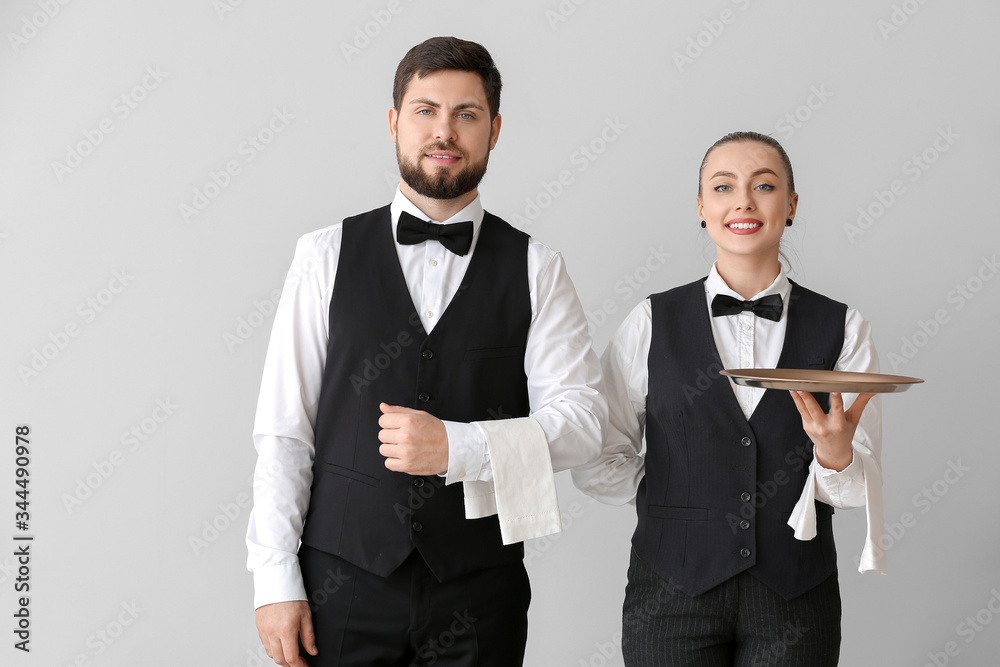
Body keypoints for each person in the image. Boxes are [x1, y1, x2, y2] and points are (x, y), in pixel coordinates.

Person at [246, 36, 605, 667]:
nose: (445, 131)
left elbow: (584, 426)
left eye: (466, 114)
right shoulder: (323, 254)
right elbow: (284, 431)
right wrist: (274, 580)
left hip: (479, 591)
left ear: (494, 131)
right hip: (341, 582)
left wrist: (459, 447)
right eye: (425, 110)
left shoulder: (537, 269)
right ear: (394, 123)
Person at [573, 131, 884, 665]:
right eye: (723, 187)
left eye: (764, 185)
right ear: (701, 207)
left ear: (790, 206)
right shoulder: (651, 321)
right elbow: (598, 456)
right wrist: (674, 500)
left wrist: (835, 454)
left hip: (795, 595)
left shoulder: (843, 326)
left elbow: (857, 490)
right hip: (670, 595)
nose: (743, 200)